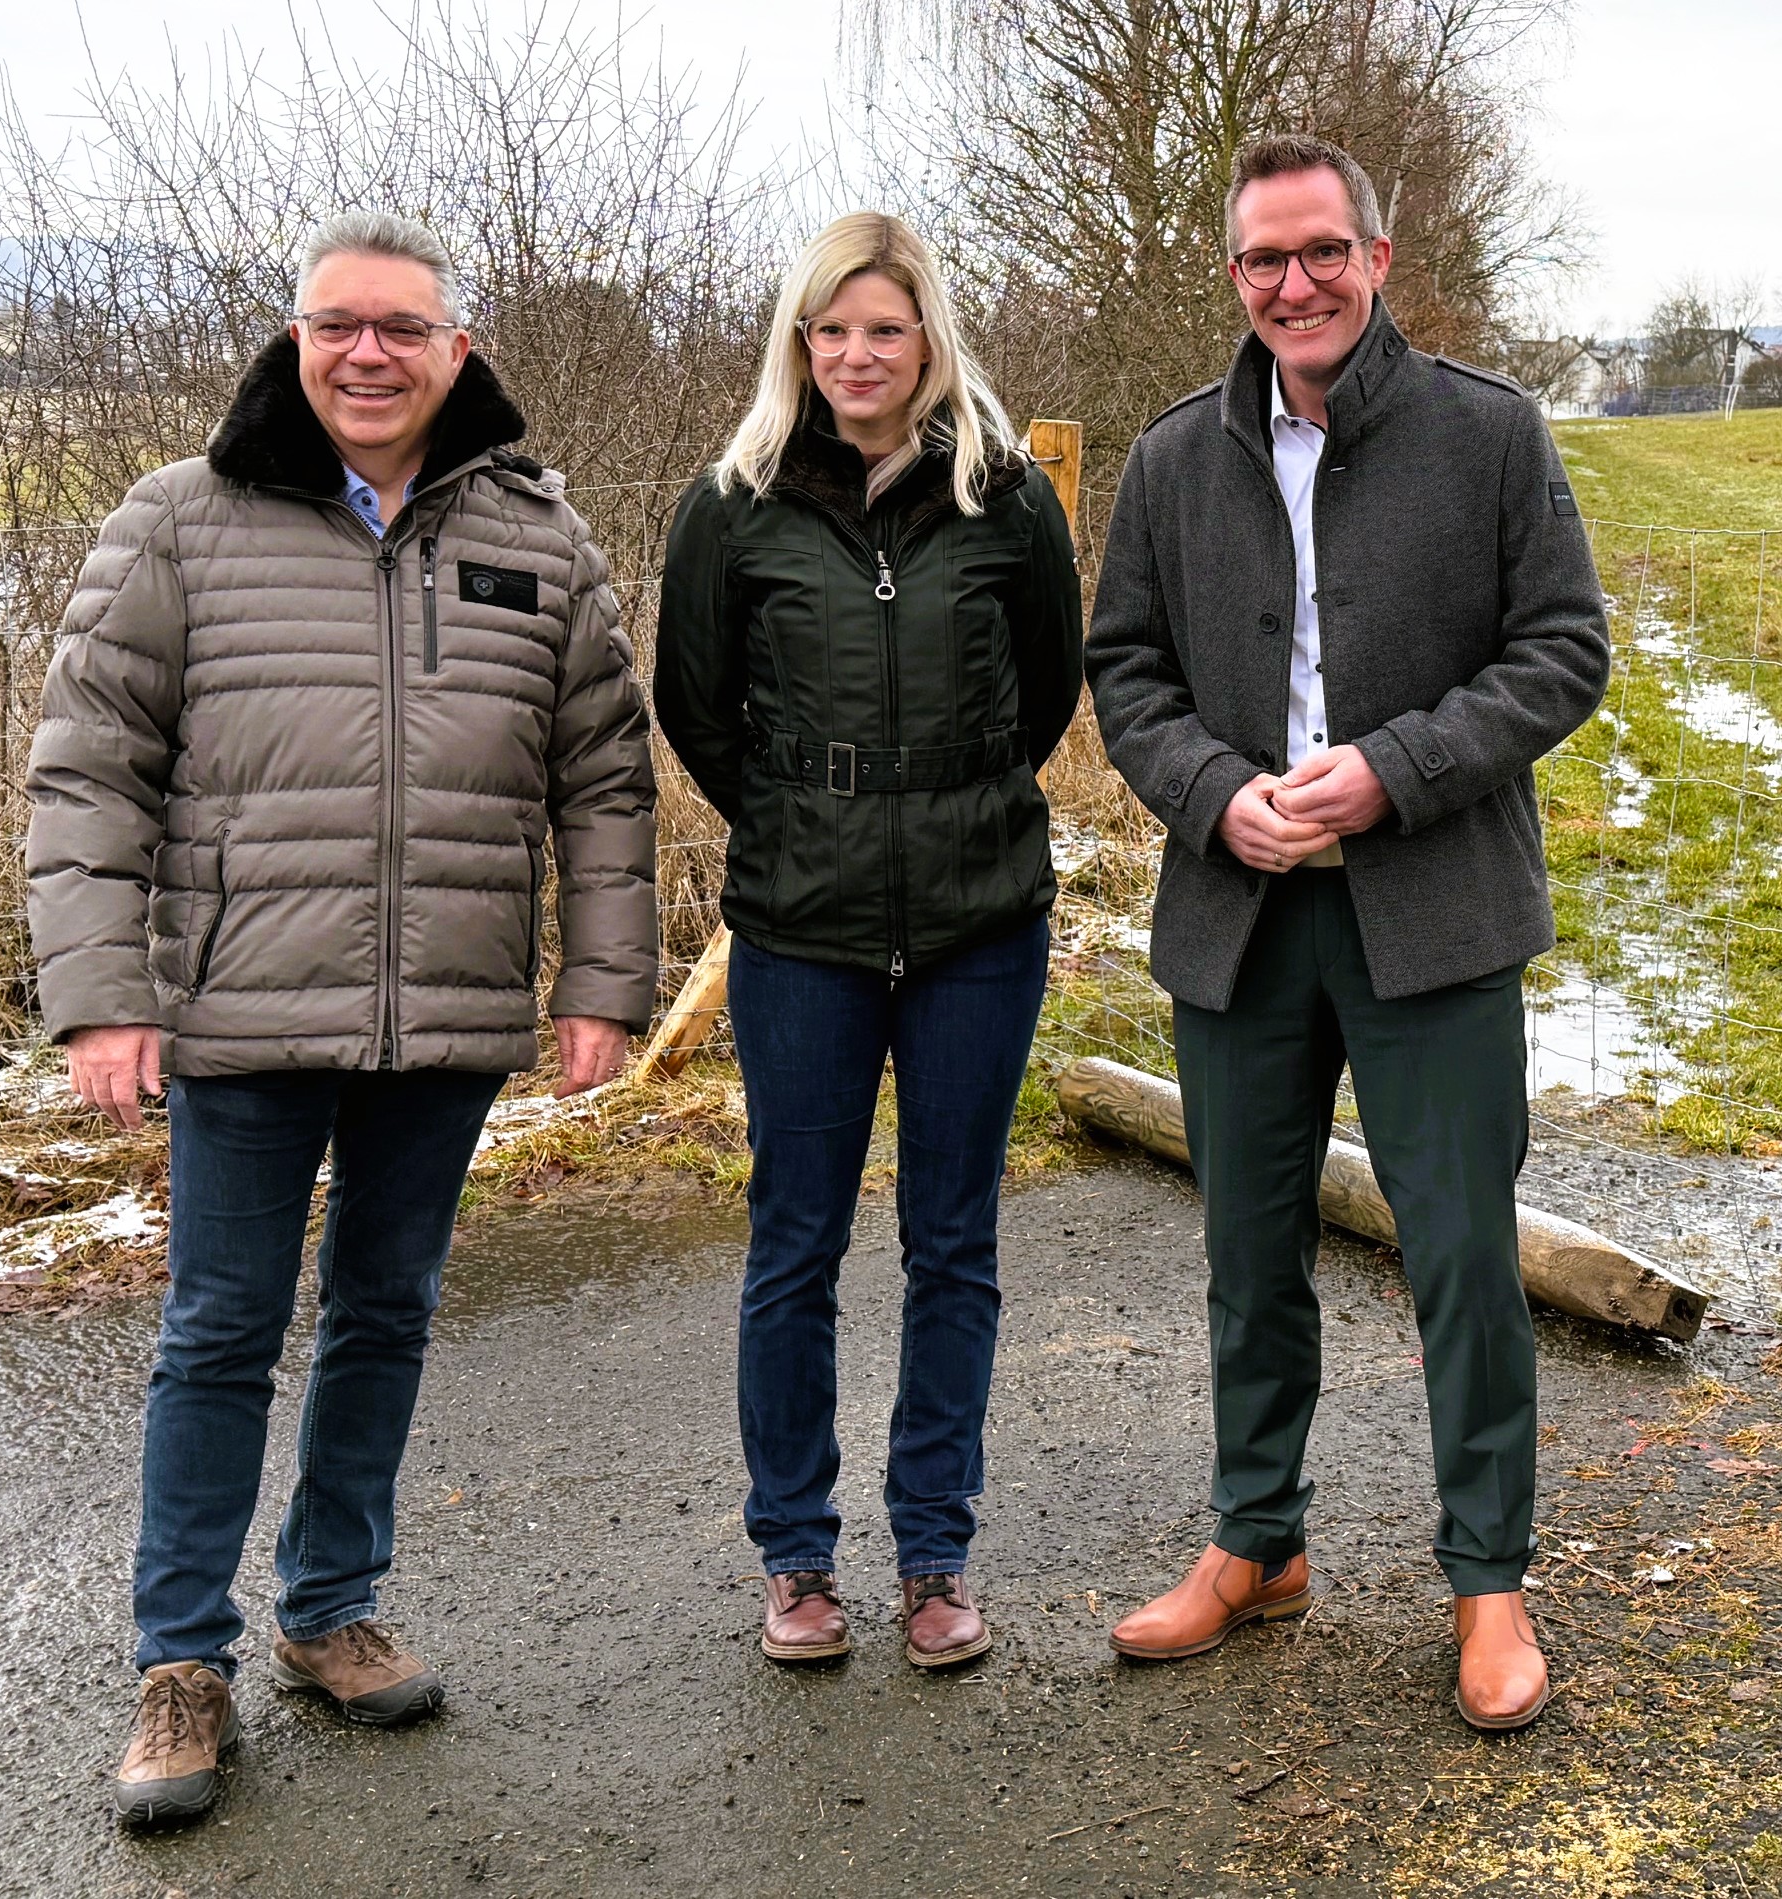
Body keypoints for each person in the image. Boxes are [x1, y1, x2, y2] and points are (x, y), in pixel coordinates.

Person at [24, 211, 657, 1824]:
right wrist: (102, 994)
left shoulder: (537, 533)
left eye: (400, 327)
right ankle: (183, 1663)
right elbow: (90, 767)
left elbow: (604, 777)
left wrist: (600, 982)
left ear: (459, 346)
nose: (366, 354)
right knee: (220, 1332)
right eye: (334, 326)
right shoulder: (180, 521)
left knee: (387, 1309)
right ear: (294, 341)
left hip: (442, 1009)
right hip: (238, 1007)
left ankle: (329, 1610)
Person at [1085, 135, 1610, 1729]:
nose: (1293, 285)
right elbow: (1126, 673)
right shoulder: (1176, 459)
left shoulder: (1487, 434)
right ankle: (1260, 1545)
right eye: (1263, 261)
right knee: (1252, 1258)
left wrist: (1397, 770)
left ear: (1377, 260)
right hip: (1241, 923)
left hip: (1433, 916)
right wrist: (1207, 794)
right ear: (1233, 276)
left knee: (1459, 1259)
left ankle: (1490, 1588)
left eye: (1321, 253)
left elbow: (1564, 651)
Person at [655, 212, 1082, 1670]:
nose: (856, 356)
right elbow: (697, 707)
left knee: (953, 1246)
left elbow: (1046, 693)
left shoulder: (1008, 497)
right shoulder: (734, 503)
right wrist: (808, 818)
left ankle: (938, 1553)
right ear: (799, 341)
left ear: (928, 340)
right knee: (796, 1245)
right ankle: (796, 1558)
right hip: (804, 935)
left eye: (883, 330)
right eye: (831, 330)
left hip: (978, 926)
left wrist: (941, 805)